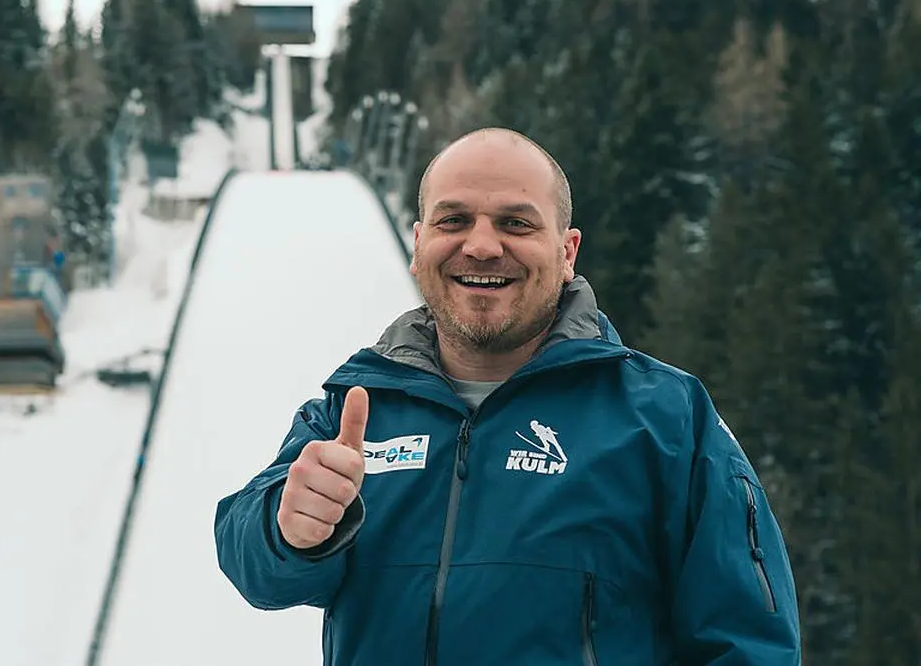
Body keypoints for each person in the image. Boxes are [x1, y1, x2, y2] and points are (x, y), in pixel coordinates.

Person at [213, 127, 802, 665]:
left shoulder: (665, 419)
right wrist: (285, 528)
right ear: (419, 244)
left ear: (567, 252)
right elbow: (254, 565)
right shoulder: (357, 410)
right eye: (454, 221)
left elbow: (749, 643)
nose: (482, 246)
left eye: (516, 223)